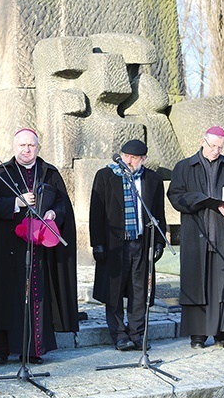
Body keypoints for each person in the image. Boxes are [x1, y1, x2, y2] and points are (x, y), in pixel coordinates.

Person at [0, 128, 78, 365]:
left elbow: (63, 204)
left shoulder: (49, 173)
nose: (27, 150)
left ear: (38, 147)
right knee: (6, 297)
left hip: (40, 248)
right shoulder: (1, 173)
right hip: (7, 247)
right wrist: (16, 202)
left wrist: (55, 213)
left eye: (31, 146)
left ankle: (35, 348)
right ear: (14, 148)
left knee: (37, 297)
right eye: (22, 146)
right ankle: (2, 349)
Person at [167, 126, 224, 349]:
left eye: (220, 147)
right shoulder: (184, 167)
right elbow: (176, 196)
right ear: (203, 141)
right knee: (198, 284)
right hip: (197, 234)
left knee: (223, 285)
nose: (216, 151)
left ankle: (223, 335)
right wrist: (205, 200)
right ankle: (197, 335)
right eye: (213, 146)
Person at [89, 139, 166, 351]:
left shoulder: (153, 179)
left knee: (139, 291)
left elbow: (158, 212)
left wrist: (158, 241)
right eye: (125, 156)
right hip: (114, 244)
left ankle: (137, 333)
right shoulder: (105, 176)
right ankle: (119, 334)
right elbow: (96, 212)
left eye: (133, 158)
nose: (128, 161)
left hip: (140, 243)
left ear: (143, 159)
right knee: (113, 290)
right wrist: (97, 243)